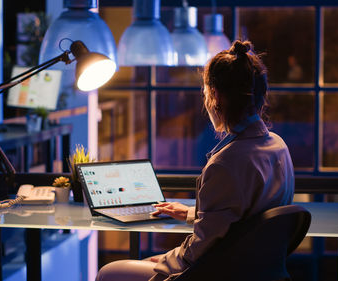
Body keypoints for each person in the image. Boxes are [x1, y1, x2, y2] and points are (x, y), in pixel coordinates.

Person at [96, 40, 295, 281]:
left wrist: (166, 259)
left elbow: (198, 251)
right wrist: (193, 213)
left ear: (216, 96)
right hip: (252, 272)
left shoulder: (227, 163)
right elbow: (240, 224)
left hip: (216, 273)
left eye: (205, 92)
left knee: (109, 273)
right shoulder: (278, 147)